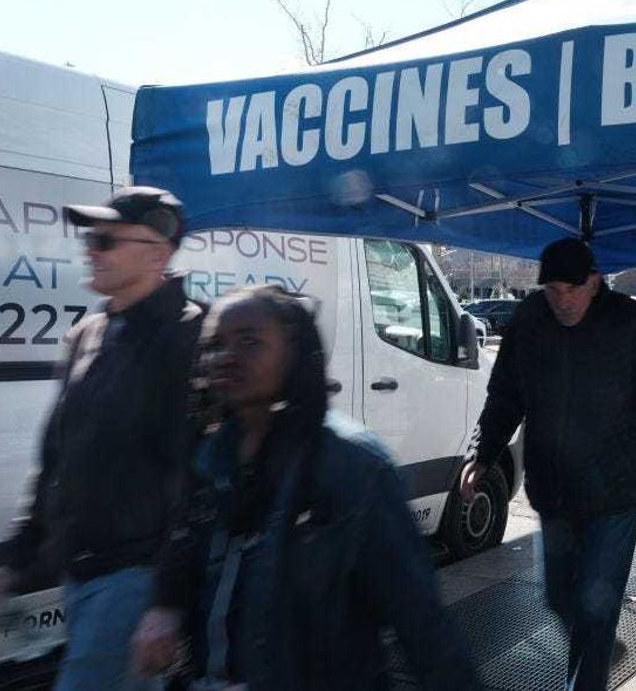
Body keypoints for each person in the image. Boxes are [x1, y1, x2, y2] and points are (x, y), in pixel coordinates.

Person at [131, 286, 480, 690]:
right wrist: (165, 605)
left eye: (250, 341)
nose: (225, 357)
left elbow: (422, 622)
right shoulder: (211, 456)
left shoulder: (353, 465)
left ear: (294, 353)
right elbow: (186, 548)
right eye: (215, 345)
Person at [0, 188, 201, 691]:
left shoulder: (188, 339)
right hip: (79, 577)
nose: (90, 250)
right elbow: (54, 460)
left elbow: (196, 484)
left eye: (105, 240)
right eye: (89, 238)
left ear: (157, 254)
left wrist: (166, 602)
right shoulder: (88, 334)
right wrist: (13, 565)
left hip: (134, 580)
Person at [459, 238, 636, 691]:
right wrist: (482, 454)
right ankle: (598, 646)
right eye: (553, 290)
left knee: (597, 606)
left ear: (595, 282)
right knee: (560, 596)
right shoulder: (529, 323)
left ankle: (589, 669)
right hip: (554, 487)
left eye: (573, 289)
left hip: (616, 491)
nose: (563, 300)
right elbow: (505, 396)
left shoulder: (633, 324)